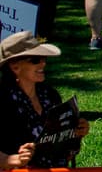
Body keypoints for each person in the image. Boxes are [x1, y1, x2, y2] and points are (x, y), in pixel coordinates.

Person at [0, 32, 91, 169]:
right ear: (15, 67)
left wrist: (76, 133)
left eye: (43, 58)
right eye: (35, 60)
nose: (43, 63)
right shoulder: (3, 100)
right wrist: (10, 160)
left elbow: (65, 152)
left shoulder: (50, 95)